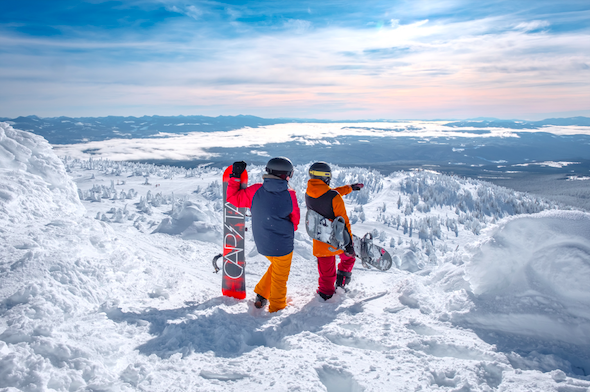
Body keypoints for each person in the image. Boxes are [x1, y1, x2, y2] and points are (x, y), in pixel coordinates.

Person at [226, 157, 300, 312]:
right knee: (280, 278)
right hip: (283, 245)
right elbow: (295, 220)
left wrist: (235, 178)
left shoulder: (255, 190)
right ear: (285, 175)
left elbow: (233, 199)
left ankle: (261, 294)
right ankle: (277, 308)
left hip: (263, 243)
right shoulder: (289, 194)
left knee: (276, 266)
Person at [305, 162, 364, 300]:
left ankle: (325, 296)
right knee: (349, 258)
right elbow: (344, 222)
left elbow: (329, 194)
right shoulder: (334, 197)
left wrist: (349, 188)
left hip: (320, 240)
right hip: (338, 240)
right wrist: (349, 245)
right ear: (327, 177)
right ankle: (341, 285)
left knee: (326, 274)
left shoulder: (309, 193)